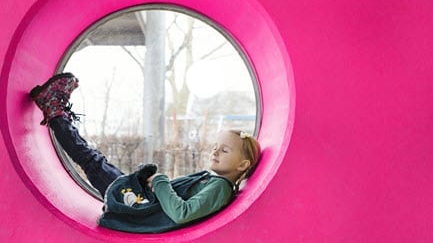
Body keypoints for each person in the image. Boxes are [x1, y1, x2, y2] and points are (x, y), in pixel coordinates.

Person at [29, 72, 261, 233]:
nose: (215, 151)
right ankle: (56, 111)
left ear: (242, 165)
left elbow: (182, 212)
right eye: (215, 146)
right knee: (94, 162)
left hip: (139, 208)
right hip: (141, 202)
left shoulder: (220, 187)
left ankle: (55, 110)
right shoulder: (214, 183)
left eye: (225, 149)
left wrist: (160, 181)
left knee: (92, 161)